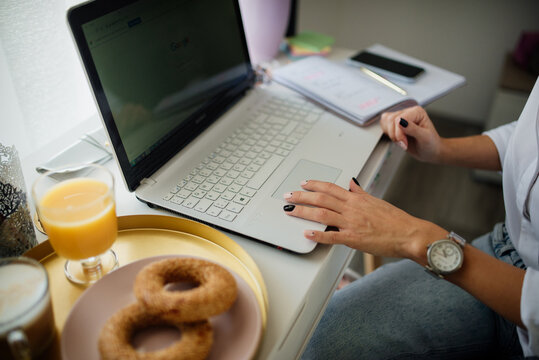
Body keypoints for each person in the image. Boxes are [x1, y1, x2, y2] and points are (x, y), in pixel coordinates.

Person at [283, 78, 539, 359]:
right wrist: (441, 149)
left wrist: (417, 238)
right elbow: (526, 136)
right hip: (507, 252)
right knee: (318, 340)